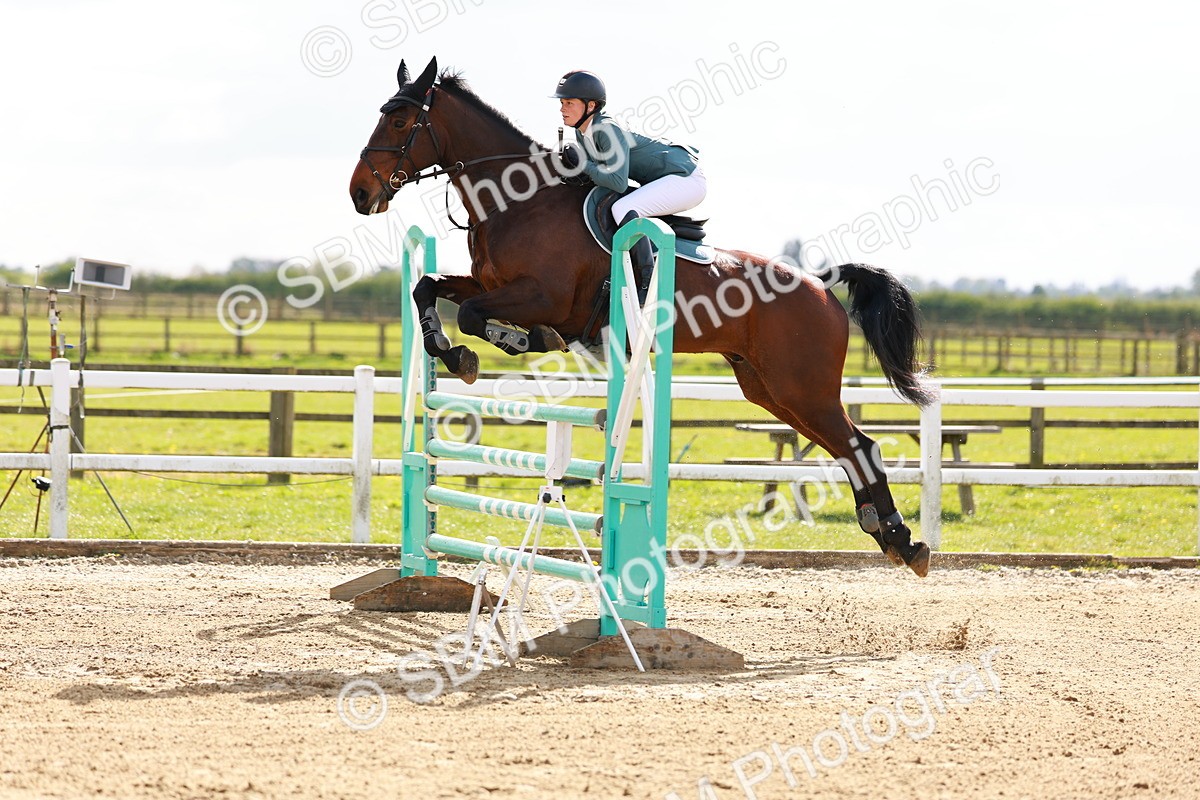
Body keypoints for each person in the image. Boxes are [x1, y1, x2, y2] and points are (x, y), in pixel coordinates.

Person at [553, 70, 707, 303]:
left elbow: (617, 181)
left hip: (686, 179)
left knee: (622, 209)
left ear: (591, 105)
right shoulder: (582, 132)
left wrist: (583, 164)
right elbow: (592, 177)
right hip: (666, 179)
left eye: (569, 103)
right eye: (562, 103)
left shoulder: (606, 129)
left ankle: (647, 279)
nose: (563, 109)